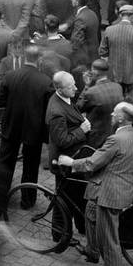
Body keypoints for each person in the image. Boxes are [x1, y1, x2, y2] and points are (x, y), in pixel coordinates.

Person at [58, 102, 133, 266]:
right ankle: (92, 249)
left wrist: (71, 162)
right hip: (121, 191)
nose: (112, 116)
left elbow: (92, 163)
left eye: (114, 113)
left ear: (121, 118)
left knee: (110, 239)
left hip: (109, 194)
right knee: (90, 210)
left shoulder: (116, 139)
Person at [0, 45, 53, 208]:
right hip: (33, 130)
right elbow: (49, 110)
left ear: (24, 57)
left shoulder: (10, 76)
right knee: (31, 166)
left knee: (5, 162)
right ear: (39, 60)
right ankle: (27, 200)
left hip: (11, 125)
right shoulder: (46, 81)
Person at [47, 70, 91, 236]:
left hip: (74, 158)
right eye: (70, 85)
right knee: (63, 200)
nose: (75, 87)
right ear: (59, 89)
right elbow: (62, 140)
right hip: (64, 162)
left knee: (78, 195)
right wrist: (82, 129)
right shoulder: (57, 111)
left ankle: (81, 228)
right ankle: (59, 235)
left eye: (74, 83)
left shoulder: (64, 98)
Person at [99, 4, 133, 103]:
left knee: (114, 102)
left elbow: (102, 52)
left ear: (120, 15)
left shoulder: (109, 30)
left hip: (114, 73)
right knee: (132, 104)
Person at [78, 58, 124, 149]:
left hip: (96, 139)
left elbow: (78, 108)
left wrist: (87, 86)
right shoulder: (118, 87)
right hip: (115, 134)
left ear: (94, 72)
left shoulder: (91, 92)